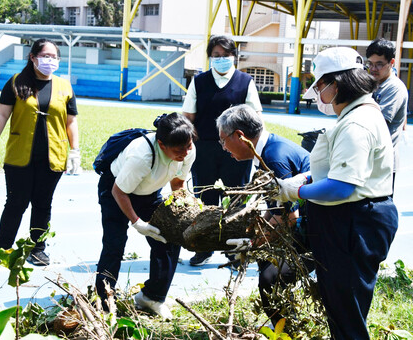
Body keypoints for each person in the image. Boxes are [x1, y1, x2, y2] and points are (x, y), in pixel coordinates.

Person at [275, 47, 398, 339]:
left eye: (318, 85)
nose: (316, 92)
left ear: (337, 84)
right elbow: (335, 170)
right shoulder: (356, 115)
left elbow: (342, 186)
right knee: (342, 308)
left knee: (346, 313)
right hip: (350, 221)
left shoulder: (356, 124)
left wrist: (298, 191)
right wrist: (306, 177)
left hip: (353, 223)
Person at [0, 39, 80, 267]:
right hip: (20, 155)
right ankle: (2, 249)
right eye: (45, 56)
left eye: (54, 56)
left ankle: (38, 249)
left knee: (43, 203)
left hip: (52, 156)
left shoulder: (64, 86)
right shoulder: (17, 82)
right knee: (16, 203)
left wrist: (75, 150)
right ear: (33, 57)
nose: (50, 60)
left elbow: (71, 121)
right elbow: (1, 115)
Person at [216, 104, 311, 326]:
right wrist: (255, 235)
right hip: (306, 221)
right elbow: (276, 208)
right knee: (268, 266)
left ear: (239, 135)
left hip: (319, 227)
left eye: (223, 140)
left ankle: (287, 329)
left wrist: (253, 244)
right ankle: (285, 322)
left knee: (271, 278)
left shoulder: (273, 158)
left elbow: (290, 217)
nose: (222, 147)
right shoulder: (266, 150)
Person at [95, 113, 196, 318]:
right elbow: (118, 191)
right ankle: (103, 301)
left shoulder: (188, 150)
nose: (185, 153)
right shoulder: (142, 155)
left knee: (169, 239)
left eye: (189, 146)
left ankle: (152, 296)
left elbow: (177, 183)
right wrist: (137, 222)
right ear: (161, 144)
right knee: (114, 244)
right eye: (178, 150)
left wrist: (185, 207)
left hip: (148, 193)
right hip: (116, 191)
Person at [182, 35, 262, 266]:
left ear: (233, 56)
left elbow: (256, 117)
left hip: (237, 150)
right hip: (204, 148)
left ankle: (235, 249)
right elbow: (188, 117)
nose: (221, 59)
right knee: (206, 199)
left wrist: (253, 149)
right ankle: (205, 247)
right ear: (210, 58)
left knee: (237, 198)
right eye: (216, 56)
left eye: (225, 55)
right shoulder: (199, 81)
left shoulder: (245, 81)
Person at [366, 38, 409, 193]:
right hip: (368, 160)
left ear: (391, 62)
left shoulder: (394, 88)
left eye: (379, 64)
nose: (373, 68)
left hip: (382, 164)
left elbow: (378, 122)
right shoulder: (373, 84)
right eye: (370, 63)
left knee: (378, 213)